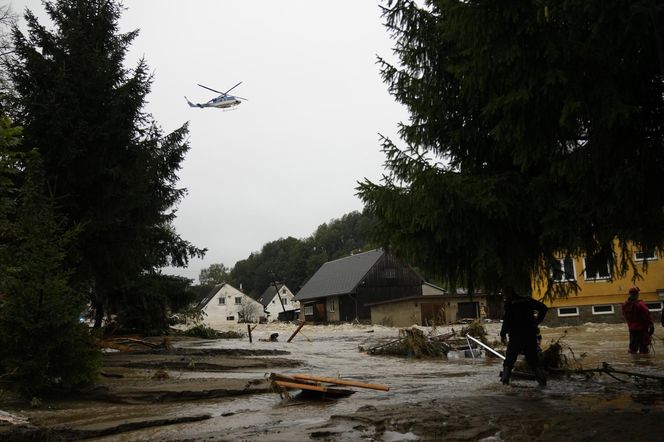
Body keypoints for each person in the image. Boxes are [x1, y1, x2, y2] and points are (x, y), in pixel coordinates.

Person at [500, 288, 549, 386]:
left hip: (515, 336)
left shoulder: (510, 304)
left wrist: (502, 334)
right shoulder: (528, 301)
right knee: (534, 360)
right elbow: (544, 308)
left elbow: (506, 321)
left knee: (509, 360)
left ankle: (505, 383)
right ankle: (543, 384)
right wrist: (536, 322)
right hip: (529, 335)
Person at [621, 286, 654, 354]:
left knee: (632, 348)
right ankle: (644, 363)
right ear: (637, 294)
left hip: (632, 329)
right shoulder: (640, 304)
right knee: (644, 349)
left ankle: (634, 363)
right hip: (642, 329)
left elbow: (625, 316)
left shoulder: (625, 305)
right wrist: (651, 325)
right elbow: (647, 315)